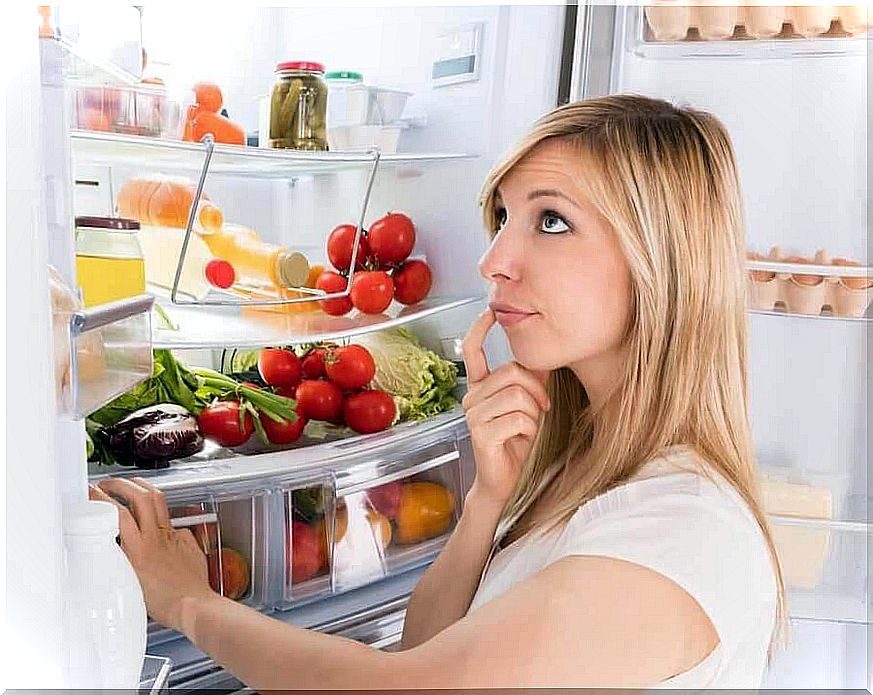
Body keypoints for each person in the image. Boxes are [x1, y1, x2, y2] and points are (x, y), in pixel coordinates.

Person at [91, 94, 785, 689]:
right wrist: (486, 502)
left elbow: (408, 687)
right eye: (503, 218)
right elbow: (425, 645)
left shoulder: (682, 530)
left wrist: (187, 601)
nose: (493, 261)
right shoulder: (584, 467)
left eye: (550, 221)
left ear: (659, 260)